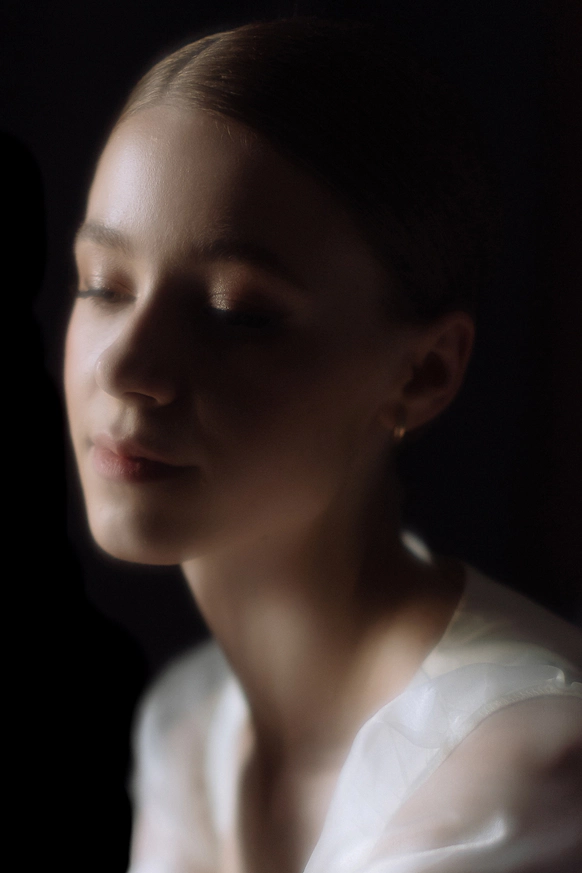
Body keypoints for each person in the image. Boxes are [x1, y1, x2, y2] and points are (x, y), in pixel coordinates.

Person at [64, 19, 582, 873]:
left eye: (235, 313)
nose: (122, 368)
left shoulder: (522, 769)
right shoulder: (191, 729)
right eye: (102, 286)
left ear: (422, 372)